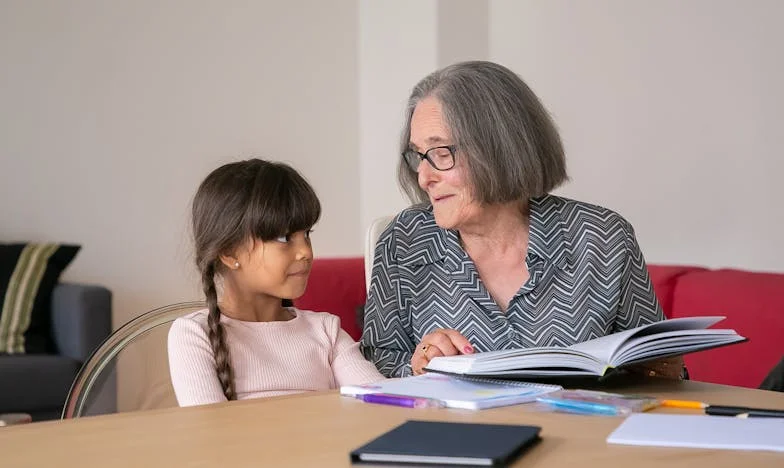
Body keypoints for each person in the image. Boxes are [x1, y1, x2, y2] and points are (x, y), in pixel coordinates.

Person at [360, 60, 683, 379]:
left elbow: (663, 369)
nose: (423, 177)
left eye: (441, 153)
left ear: (498, 149)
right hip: (450, 416)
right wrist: (419, 367)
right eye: (418, 156)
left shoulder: (602, 237)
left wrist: (660, 369)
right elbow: (374, 366)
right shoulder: (406, 239)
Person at [168, 158, 384, 407]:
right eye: (284, 238)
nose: (305, 252)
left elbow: (383, 402)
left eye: (307, 234)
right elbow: (210, 428)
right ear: (229, 252)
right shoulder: (194, 335)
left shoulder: (327, 330)